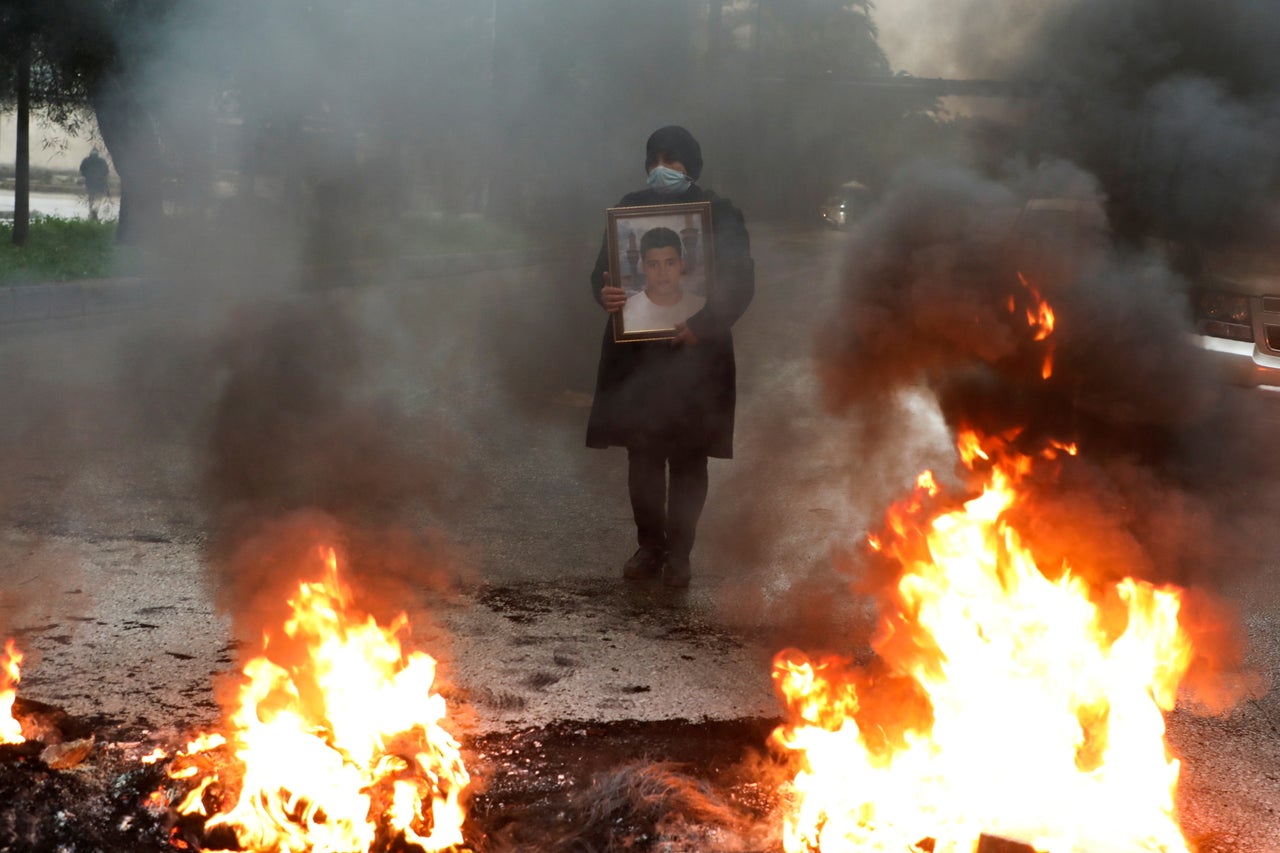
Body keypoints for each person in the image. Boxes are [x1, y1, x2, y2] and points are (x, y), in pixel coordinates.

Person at [586, 125, 755, 588]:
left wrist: (702, 326)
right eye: (656, 158)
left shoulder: (720, 214)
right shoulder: (628, 209)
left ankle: (680, 554)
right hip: (638, 361)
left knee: (687, 458)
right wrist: (608, 294)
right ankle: (650, 546)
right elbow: (601, 274)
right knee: (642, 455)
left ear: (692, 167)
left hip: (698, 360)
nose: (664, 168)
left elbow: (741, 282)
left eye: (674, 159)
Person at [622, 226, 706, 332]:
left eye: (670, 263)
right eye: (653, 265)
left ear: (681, 264)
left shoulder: (702, 309)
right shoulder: (628, 311)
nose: (662, 272)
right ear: (643, 267)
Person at [79, 148, 110, 221]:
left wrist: (86, 176)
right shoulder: (102, 161)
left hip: (90, 182)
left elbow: (82, 170)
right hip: (100, 183)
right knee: (98, 197)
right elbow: (106, 172)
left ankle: (91, 210)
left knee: (91, 197)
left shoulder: (86, 161)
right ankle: (95, 210)